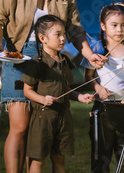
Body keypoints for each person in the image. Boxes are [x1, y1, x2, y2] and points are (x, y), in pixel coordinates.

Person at [0, 0, 107, 173]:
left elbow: (74, 29)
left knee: (42, 127)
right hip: (19, 59)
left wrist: (88, 53)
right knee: (20, 127)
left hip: (53, 62)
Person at [22, 15, 94, 173]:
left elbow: (66, 89)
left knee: (60, 159)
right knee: (38, 160)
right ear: (43, 38)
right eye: (58, 34)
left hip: (63, 118)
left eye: (64, 34)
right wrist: (42, 99)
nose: (63, 38)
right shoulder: (37, 63)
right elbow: (27, 90)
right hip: (43, 120)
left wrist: (79, 97)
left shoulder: (65, 62)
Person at [81, 3, 124, 173]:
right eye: (114, 25)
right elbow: (87, 77)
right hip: (103, 108)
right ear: (103, 26)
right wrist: (98, 89)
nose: (119, 29)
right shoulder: (94, 50)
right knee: (101, 151)